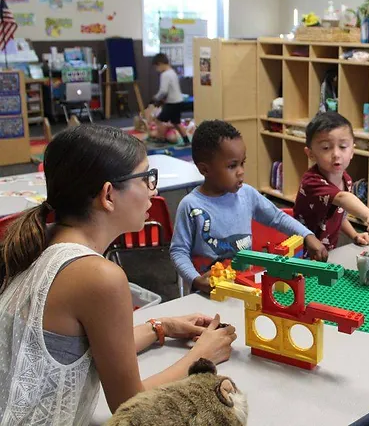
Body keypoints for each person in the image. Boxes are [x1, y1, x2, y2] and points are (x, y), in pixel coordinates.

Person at [0, 125, 236, 424]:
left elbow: (87, 348)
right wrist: (202, 356)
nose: (154, 190)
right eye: (146, 178)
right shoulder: (98, 276)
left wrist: (161, 327)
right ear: (108, 194)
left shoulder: (45, 241)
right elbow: (130, 403)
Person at [171, 120, 327, 294]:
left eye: (242, 163)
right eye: (232, 166)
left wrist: (308, 235)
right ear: (205, 170)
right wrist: (196, 280)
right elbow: (178, 251)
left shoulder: (247, 194)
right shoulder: (190, 206)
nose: (241, 171)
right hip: (207, 293)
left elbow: (278, 217)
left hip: (244, 287)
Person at [294, 112, 369, 251]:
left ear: (352, 151)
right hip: (302, 254)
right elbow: (342, 198)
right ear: (310, 154)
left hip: (327, 253)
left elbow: (339, 214)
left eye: (343, 146)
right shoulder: (311, 181)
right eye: (326, 148)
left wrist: (355, 235)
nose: (336, 154)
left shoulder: (346, 180)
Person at [152, 53, 189, 144]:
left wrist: (156, 98)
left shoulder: (165, 74)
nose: (157, 70)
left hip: (171, 102)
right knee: (176, 122)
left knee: (159, 120)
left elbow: (163, 91)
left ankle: (160, 140)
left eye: (157, 67)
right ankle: (186, 140)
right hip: (178, 101)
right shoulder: (172, 72)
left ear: (160, 64)